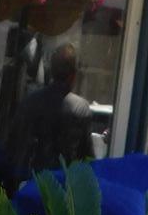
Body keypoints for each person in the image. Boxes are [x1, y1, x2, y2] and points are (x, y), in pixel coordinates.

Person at [9, 44, 94, 184]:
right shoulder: (81, 108)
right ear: (73, 75)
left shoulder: (30, 102)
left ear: (51, 71)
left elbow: (13, 144)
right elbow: (87, 156)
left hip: (30, 182)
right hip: (63, 186)